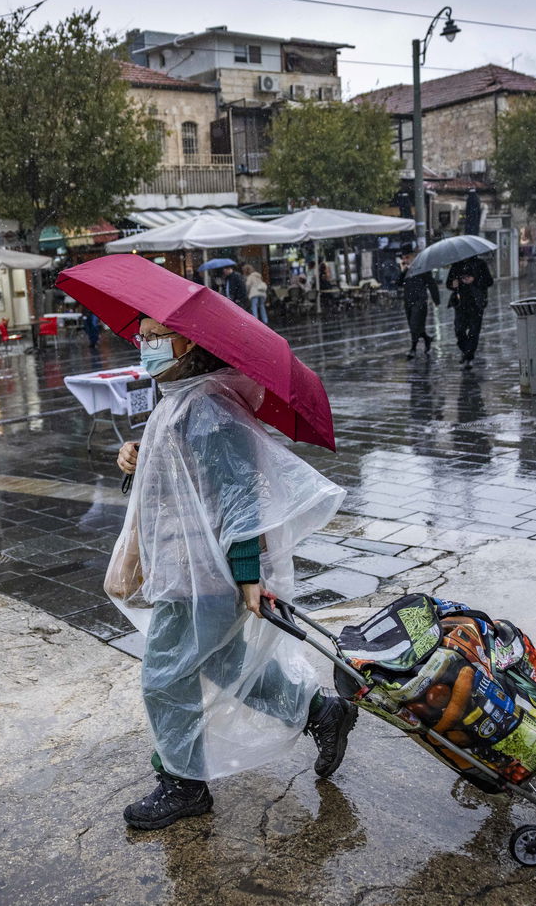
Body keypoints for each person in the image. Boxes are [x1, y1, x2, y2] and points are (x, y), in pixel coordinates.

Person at [110, 317, 356, 831]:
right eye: (144, 334)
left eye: (156, 336)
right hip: (188, 566)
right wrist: (139, 455)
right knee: (223, 663)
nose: (145, 343)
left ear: (191, 340)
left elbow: (242, 499)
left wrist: (247, 574)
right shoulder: (186, 398)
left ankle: (182, 785)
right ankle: (319, 711)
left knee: (164, 677)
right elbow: (180, 475)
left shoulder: (208, 409)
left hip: (207, 573)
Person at [445, 256, 493, 369]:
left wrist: (474, 279)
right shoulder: (456, 265)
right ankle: (467, 352)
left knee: (473, 331)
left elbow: (489, 281)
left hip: (476, 303)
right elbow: (449, 283)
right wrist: (453, 284)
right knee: (459, 330)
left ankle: (469, 356)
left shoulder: (480, 264)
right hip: (460, 304)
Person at [399, 255, 441, 358]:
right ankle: (427, 339)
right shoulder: (405, 270)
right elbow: (399, 283)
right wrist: (403, 271)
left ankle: (413, 349)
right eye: (403, 258)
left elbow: (431, 283)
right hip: (408, 301)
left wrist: (436, 300)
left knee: (414, 324)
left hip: (420, 301)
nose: (405, 260)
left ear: (413, 257)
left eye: (407, 257)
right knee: (415, 327)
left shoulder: (422, 268)